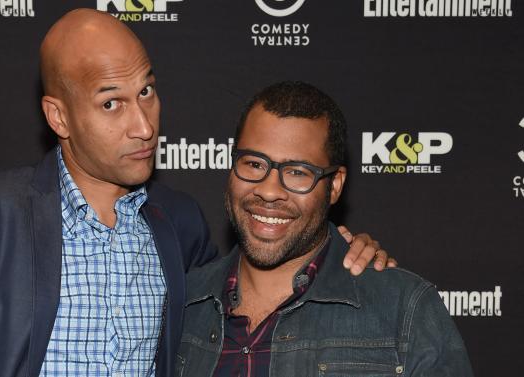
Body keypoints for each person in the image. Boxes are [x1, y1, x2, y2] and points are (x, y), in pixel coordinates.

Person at [0, 10, 392, 377]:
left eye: (146, 91)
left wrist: (337, 249)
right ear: (59, 116)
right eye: (111, 104)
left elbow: (257, 284)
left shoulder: (180, 222)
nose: (144, 125)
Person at [176, 81, 473, 376]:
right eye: (254, 164)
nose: (268, 191)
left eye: (297, 172)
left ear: (335, 186)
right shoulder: (182, 307)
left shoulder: (403, 310)